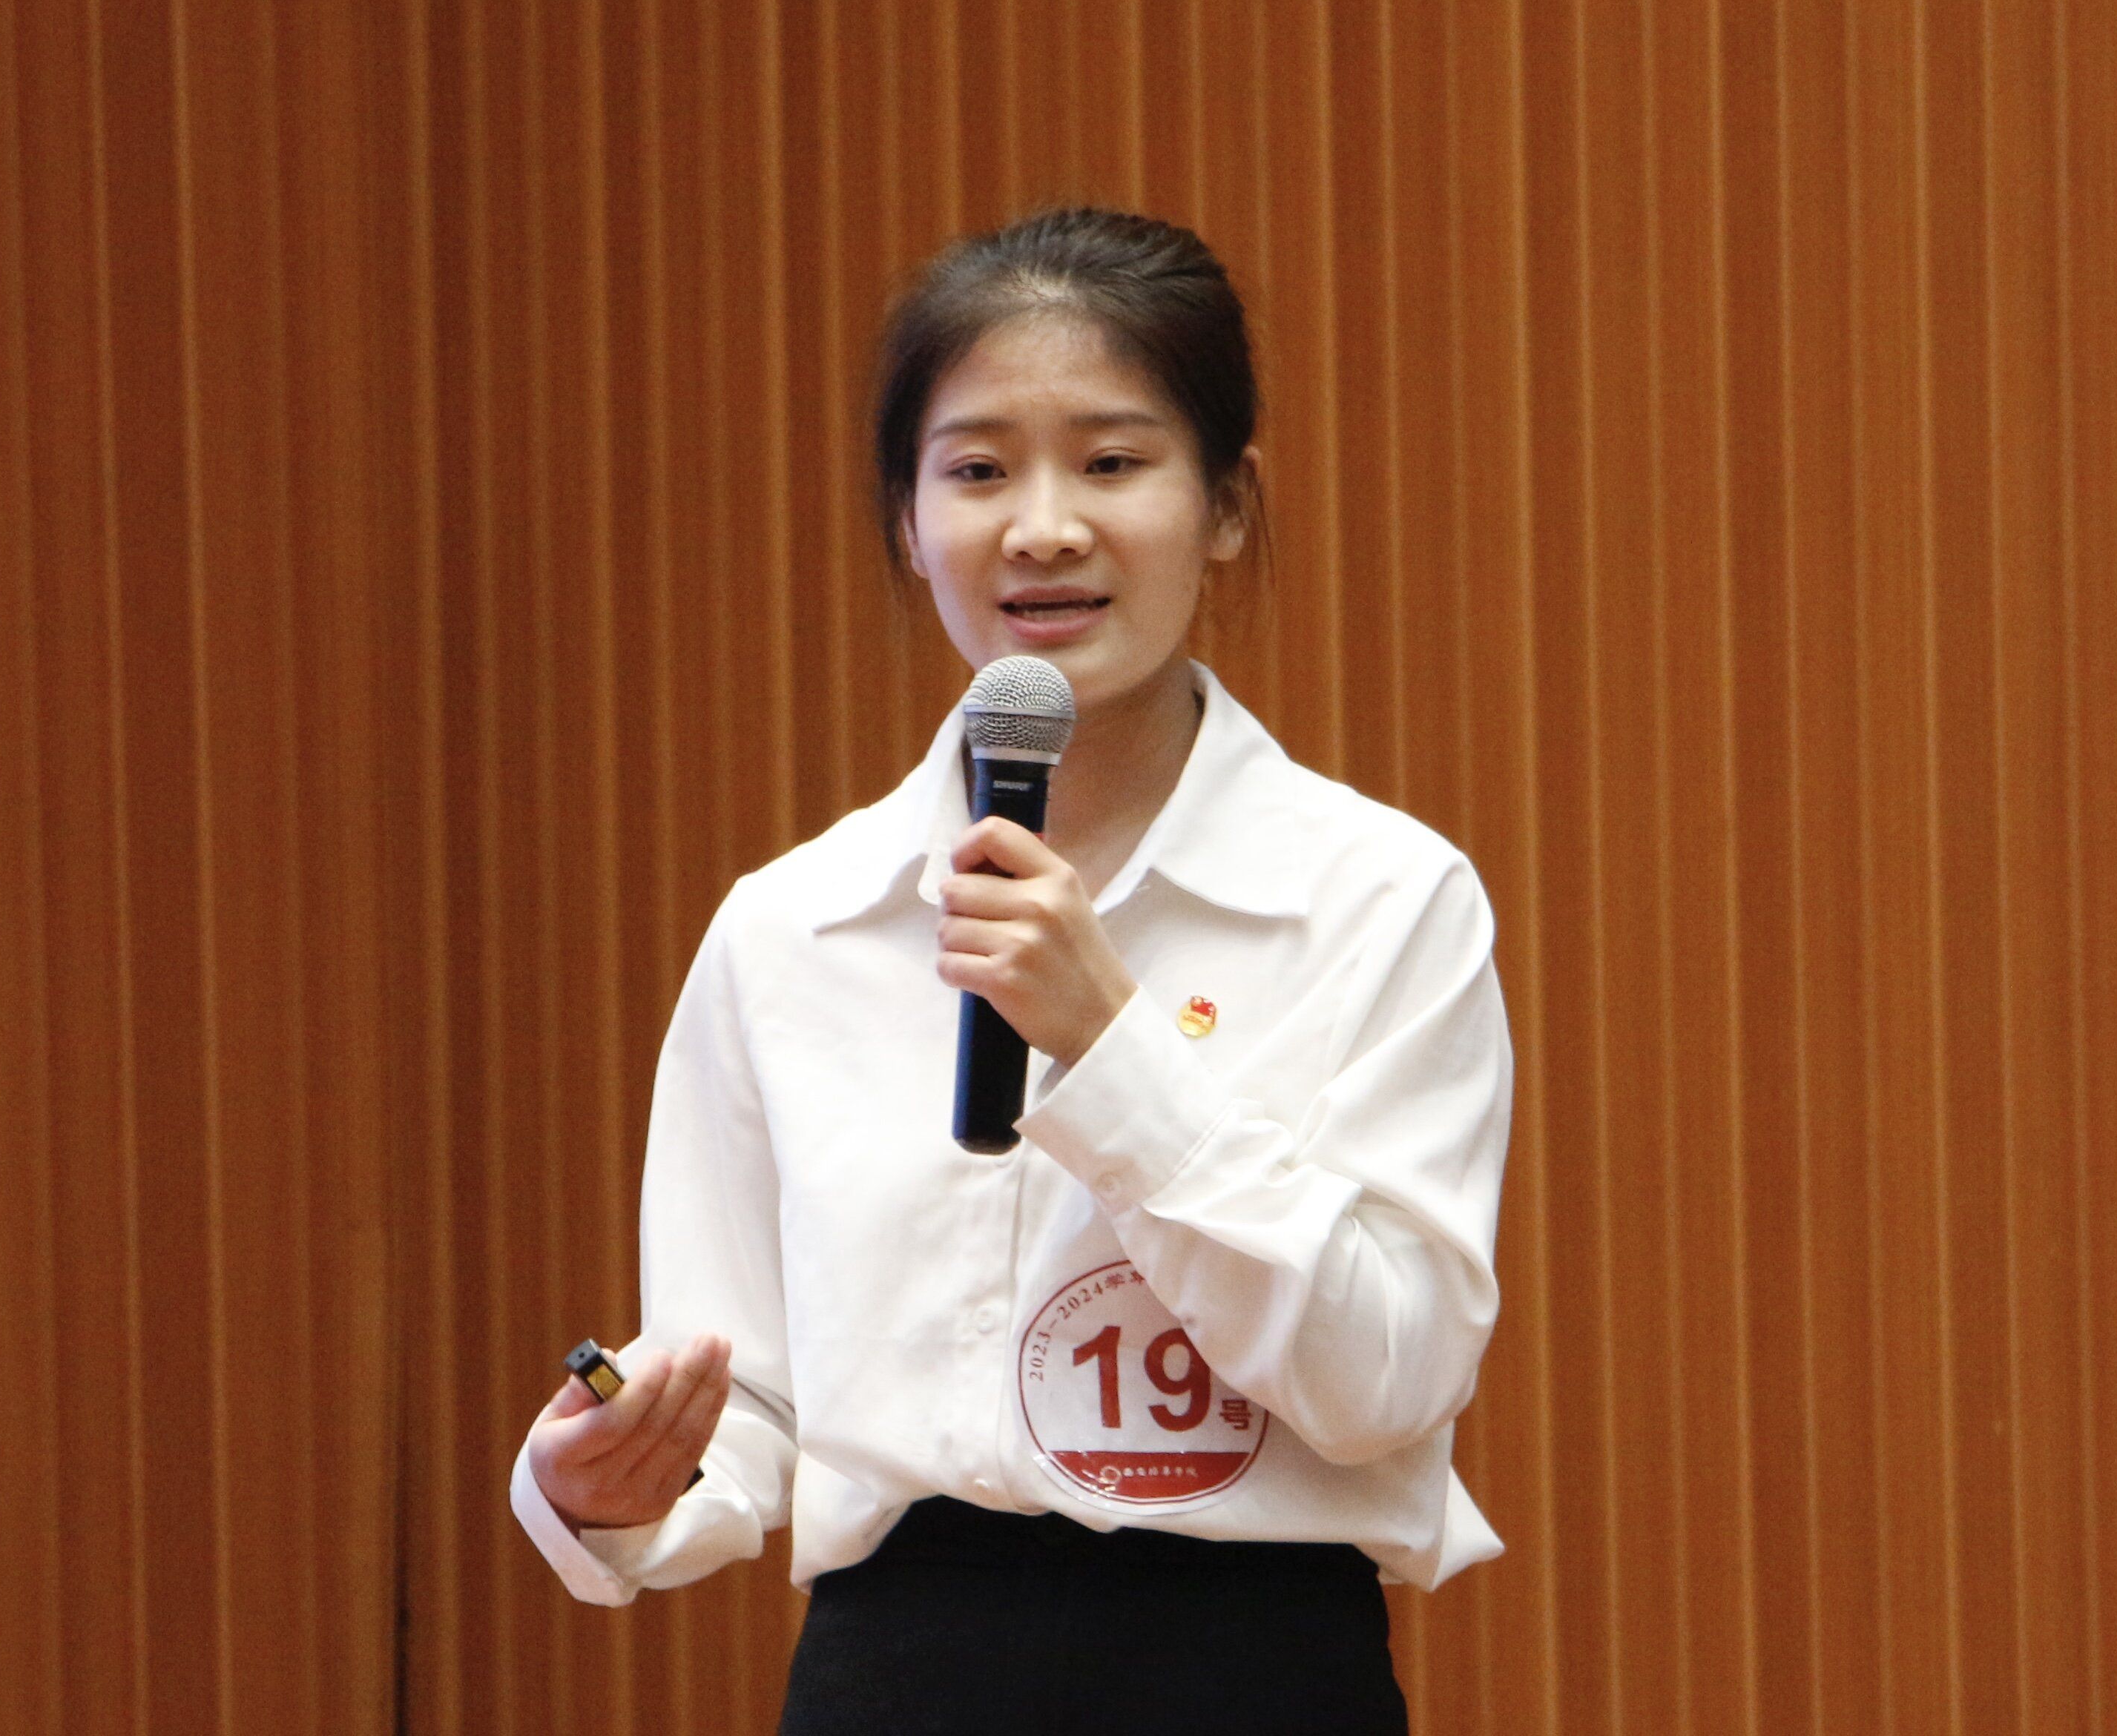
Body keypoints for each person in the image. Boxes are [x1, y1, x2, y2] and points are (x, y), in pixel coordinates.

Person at [511, 206, 1512, 1735]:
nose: (1043, 528)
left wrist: (1111, 1047)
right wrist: (601, 1487)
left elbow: (1389, 1380)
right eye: (977, 472)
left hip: (1251, 1673)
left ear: (1227, 505)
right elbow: (749, 1398)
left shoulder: (1379, 898)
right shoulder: (796, 926)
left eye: (1111, 463)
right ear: (907, 524)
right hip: (898, 1678)